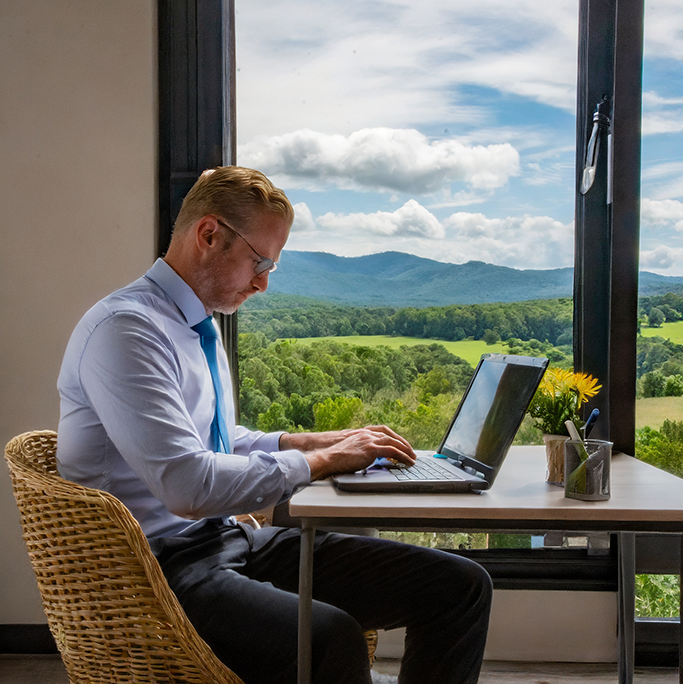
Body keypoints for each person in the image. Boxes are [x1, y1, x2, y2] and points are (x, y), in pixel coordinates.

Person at [57, 166, 492, 684]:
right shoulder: (127, 331)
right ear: (209, 234)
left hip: (228, 540)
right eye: (259, 261)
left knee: (460, 585)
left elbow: (216, 443)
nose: (263, 283)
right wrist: (321, 462)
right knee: (331, 639)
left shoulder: (195, 324)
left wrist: (317, 441)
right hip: (157, 573)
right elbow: (187, 484)